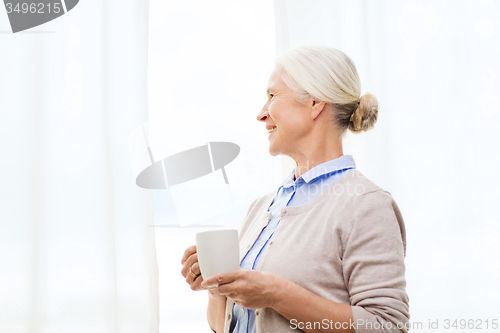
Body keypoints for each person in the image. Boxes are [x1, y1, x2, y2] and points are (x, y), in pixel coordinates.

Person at [181, 46, 409, 333]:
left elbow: (387, 326)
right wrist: (217, 287)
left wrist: (278, 295)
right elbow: (225, 326)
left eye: (272, 96)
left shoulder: (366, 204)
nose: (261, 114)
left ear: (315, 103)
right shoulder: (262, 208)